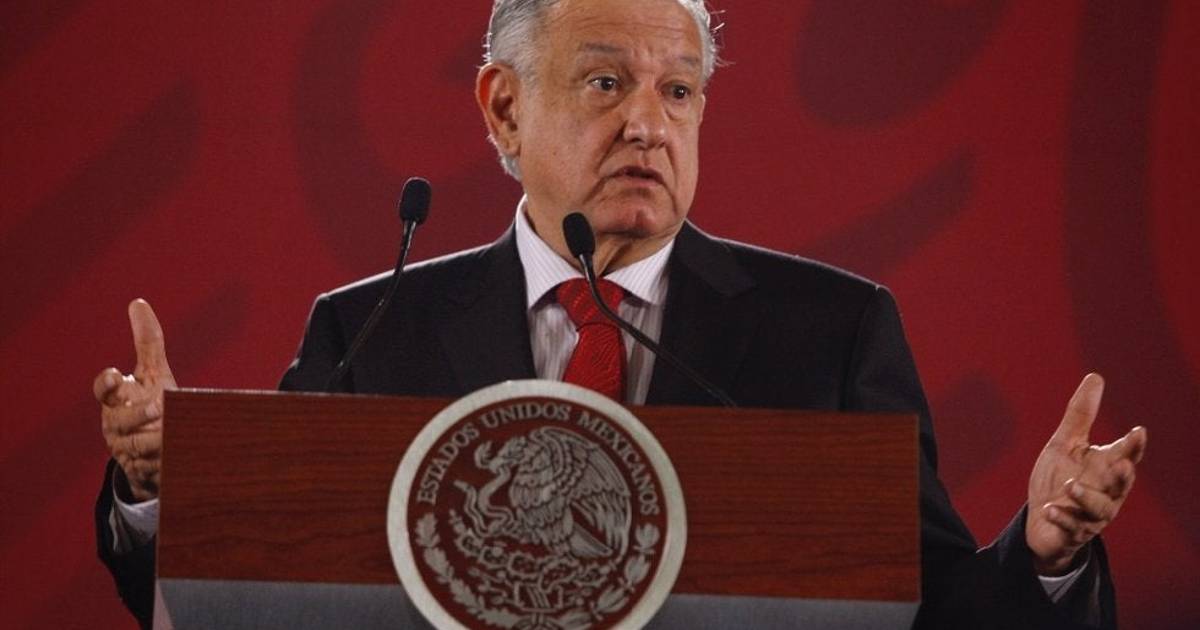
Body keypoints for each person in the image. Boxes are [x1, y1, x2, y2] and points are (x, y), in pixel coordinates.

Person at [94, 1, 1147, 628]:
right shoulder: (372, 332)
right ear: (505, 107)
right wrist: (162, 494)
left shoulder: (830, 332)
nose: (649, 123)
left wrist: (1044, 550)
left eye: (678, 92)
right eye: (606, 83)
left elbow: (929, 610)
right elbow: (251, 585)